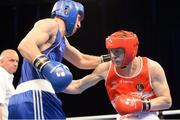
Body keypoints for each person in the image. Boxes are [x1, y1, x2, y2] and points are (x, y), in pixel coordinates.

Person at [8, 0, 110, 119]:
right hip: (35, 95)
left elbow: (81, 60)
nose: (79, 25)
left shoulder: (62, 40)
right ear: (67, 11)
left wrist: (110, 58)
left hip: (39, 98)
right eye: (78, 18)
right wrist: (46, 66)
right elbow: (25, 45)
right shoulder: (51, 24)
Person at [64, 30, 172, 120]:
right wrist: (51, 83)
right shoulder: (106, 68)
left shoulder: (152, 67)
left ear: (130, 50)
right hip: (123, 116)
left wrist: (138, 105)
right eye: (110, 51)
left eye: (117, 52)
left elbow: (167, 101)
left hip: (148, 114)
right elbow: (77, 86)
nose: (112, 56)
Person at [0, 49, 19, 120]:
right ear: (1, 62)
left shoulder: (7, 78)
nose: (15, 64)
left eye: (17, 61)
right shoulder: (1, 76)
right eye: (11, 60)